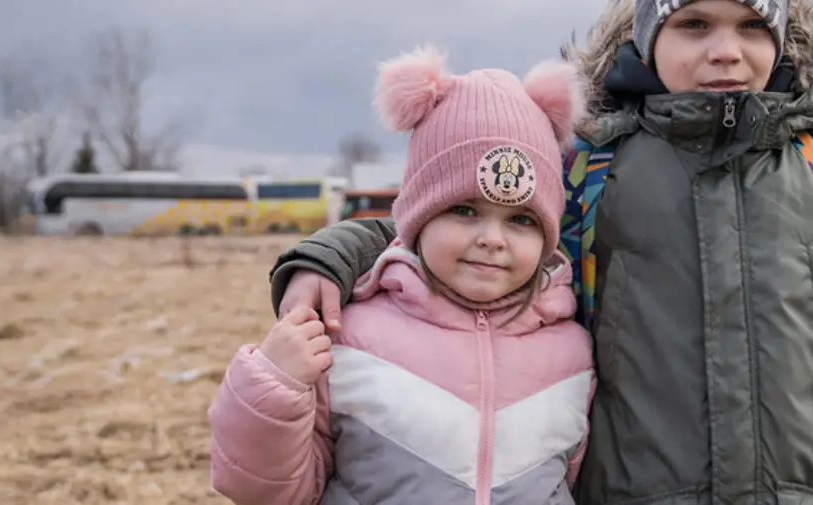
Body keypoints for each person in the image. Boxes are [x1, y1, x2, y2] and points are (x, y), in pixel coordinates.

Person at [266, 0, 813, 505]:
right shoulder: (590, 168)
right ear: (649, 37)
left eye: (751, 26)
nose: (726, 51)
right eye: (694, 24)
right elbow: (446, 217)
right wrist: (326, 257)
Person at [209, 45, 596, 505]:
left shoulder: (573, 353)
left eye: (521, 220)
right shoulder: (347, 338)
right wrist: (274, 385)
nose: (493, 238)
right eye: (464, 210)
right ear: (416, 219)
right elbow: (266, 491)